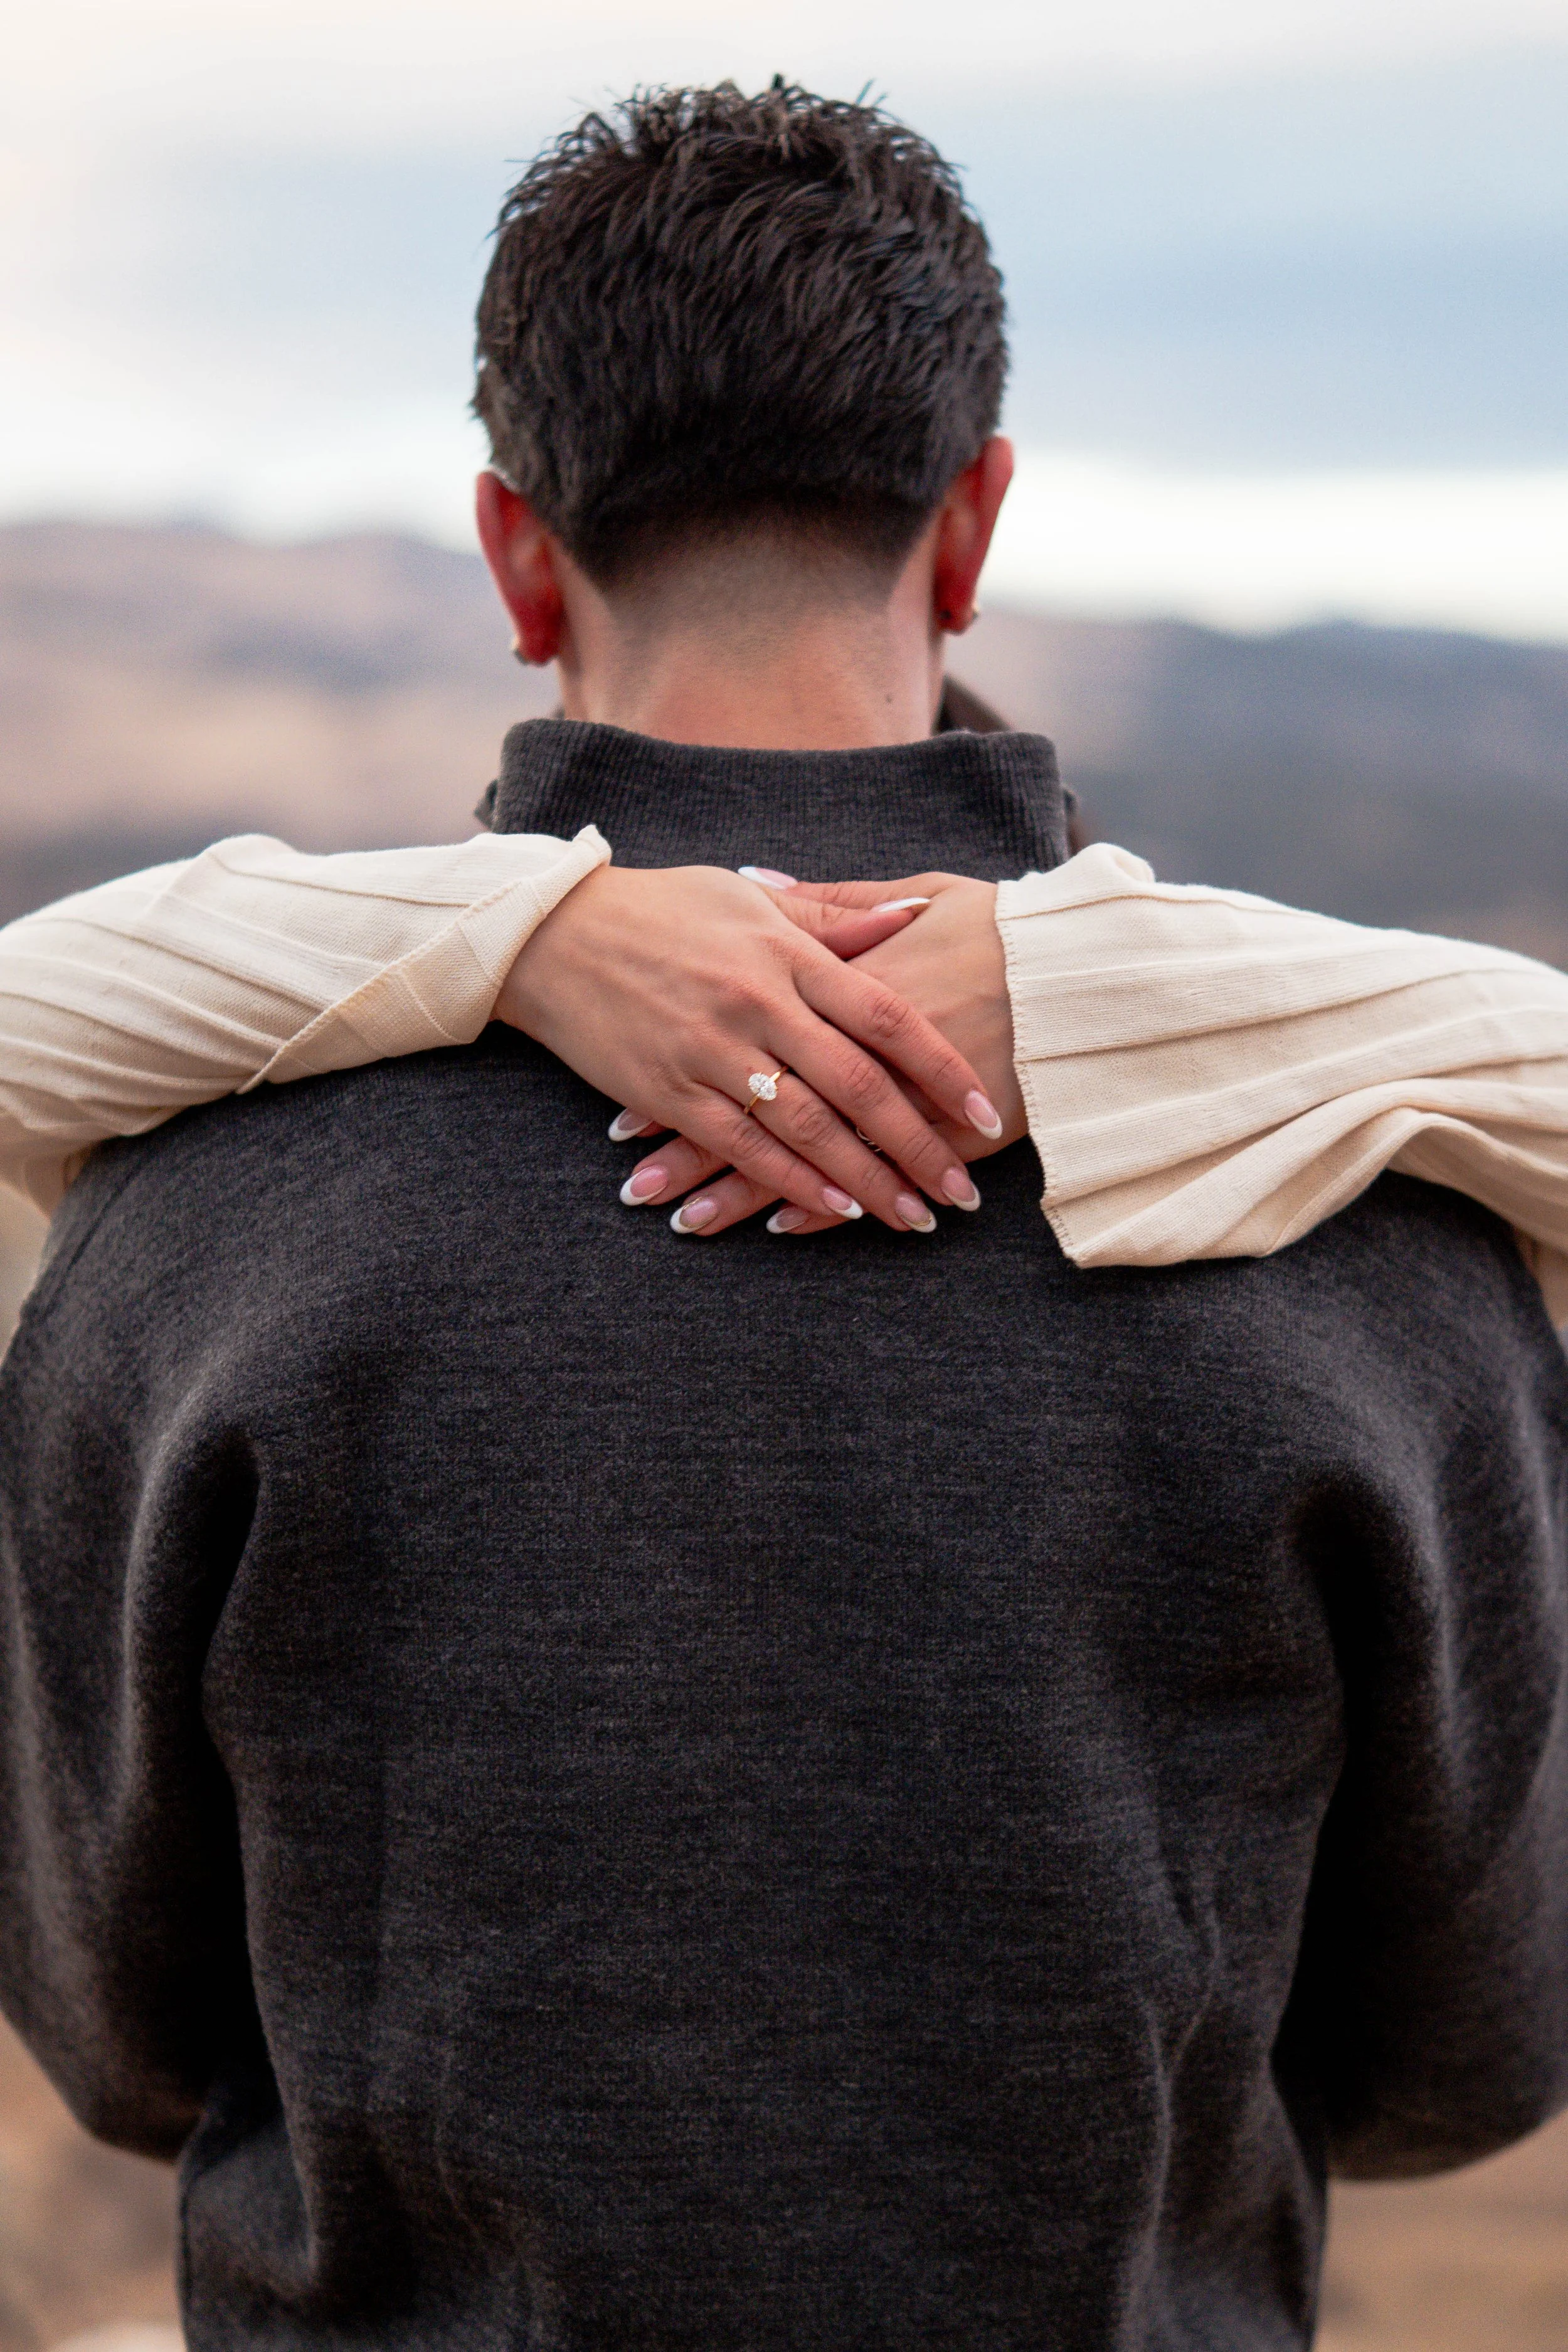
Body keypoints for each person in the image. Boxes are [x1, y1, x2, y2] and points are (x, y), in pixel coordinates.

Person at [3, 81, 1568, 2351]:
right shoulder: (1369, 1213)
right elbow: (1460, 2061)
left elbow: (118, 2035)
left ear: (513, 550)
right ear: (975, 526)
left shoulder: (193, 1222)